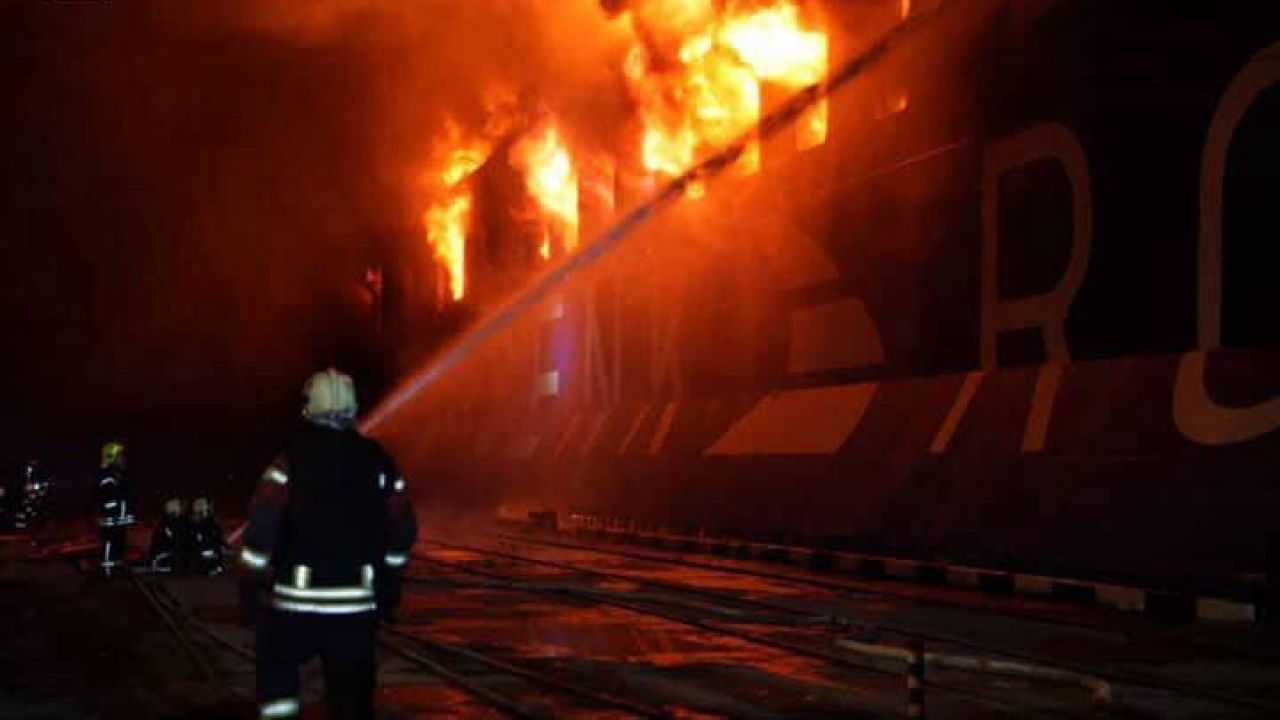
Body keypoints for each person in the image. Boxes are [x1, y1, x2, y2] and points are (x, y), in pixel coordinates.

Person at [238, 368, 417, 720]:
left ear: (309, 408)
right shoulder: (378, 462)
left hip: (294, 604)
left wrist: (249, 585)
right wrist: (390, 582)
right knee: (352, 696)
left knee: (277, 678)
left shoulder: (289, 460)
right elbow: (403, 530)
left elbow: (261, 530)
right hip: (355, 607)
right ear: (353, 408)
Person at [96, 442, 136, 577]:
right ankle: (107, 573)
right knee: (109, 547)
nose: (123, 459)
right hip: (110, 522)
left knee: (118, 548)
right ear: (111, 458)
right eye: (120, 456)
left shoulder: (119, 476)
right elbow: (108, 496)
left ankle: (117, 572)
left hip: (118, 522)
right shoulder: (106, 476)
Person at [149, 498, 190, 574]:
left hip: (174, 555)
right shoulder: (166, 523)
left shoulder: (184, 522)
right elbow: (159, 542)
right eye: (180, 506)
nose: (183, 508)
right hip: (164, 556)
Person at [189, 496, 225, 575]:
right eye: (208, 507)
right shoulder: (198, 525)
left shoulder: (211, 523)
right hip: (201, 561)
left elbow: (219, 539)